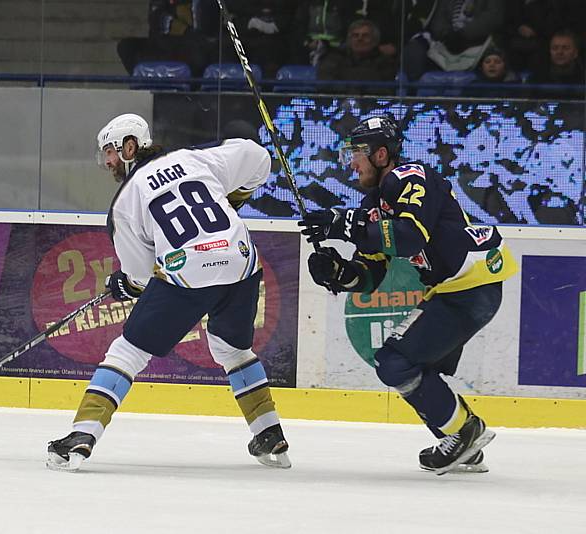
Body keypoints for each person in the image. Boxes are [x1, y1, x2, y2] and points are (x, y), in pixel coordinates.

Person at [47, 113, 290, 472]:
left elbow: (143, 276)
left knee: (127, 350)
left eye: (111, 152)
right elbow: (259, 157)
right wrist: (232, 200)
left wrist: (125, 285)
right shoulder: (193, 158)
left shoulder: (124, 203)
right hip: (241, 261)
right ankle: (269, 433)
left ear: (131, 146)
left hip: (190, 271)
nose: (109, 161)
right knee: (233, 348)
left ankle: (82, 434)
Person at [298, 116, 518, 474]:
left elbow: (409, 235)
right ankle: (463, 444)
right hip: (455, 289)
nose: (351, 164)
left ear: (381, 154)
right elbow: (370, 274)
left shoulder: (410, 176)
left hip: (471, 283)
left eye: (358, 154)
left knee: (395, 362)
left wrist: (344, 223)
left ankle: (465, 432)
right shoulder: (375, 203)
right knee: (411, 369)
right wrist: (338, 274)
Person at [317, 19, 397, 95]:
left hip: (373, 106)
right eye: (355, 35)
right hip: (337, 104)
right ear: (349, 40)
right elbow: (325, 86)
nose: (360, 39)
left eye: (365, 36)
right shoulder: (333, 58)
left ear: (374, 41)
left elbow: (385, 90)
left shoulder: (386, 62)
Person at [527, 29, 585, 100]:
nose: (559, 52)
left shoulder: (583, 77)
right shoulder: (538, 77)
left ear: (575, 53)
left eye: (565, 48)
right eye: (555, 48)